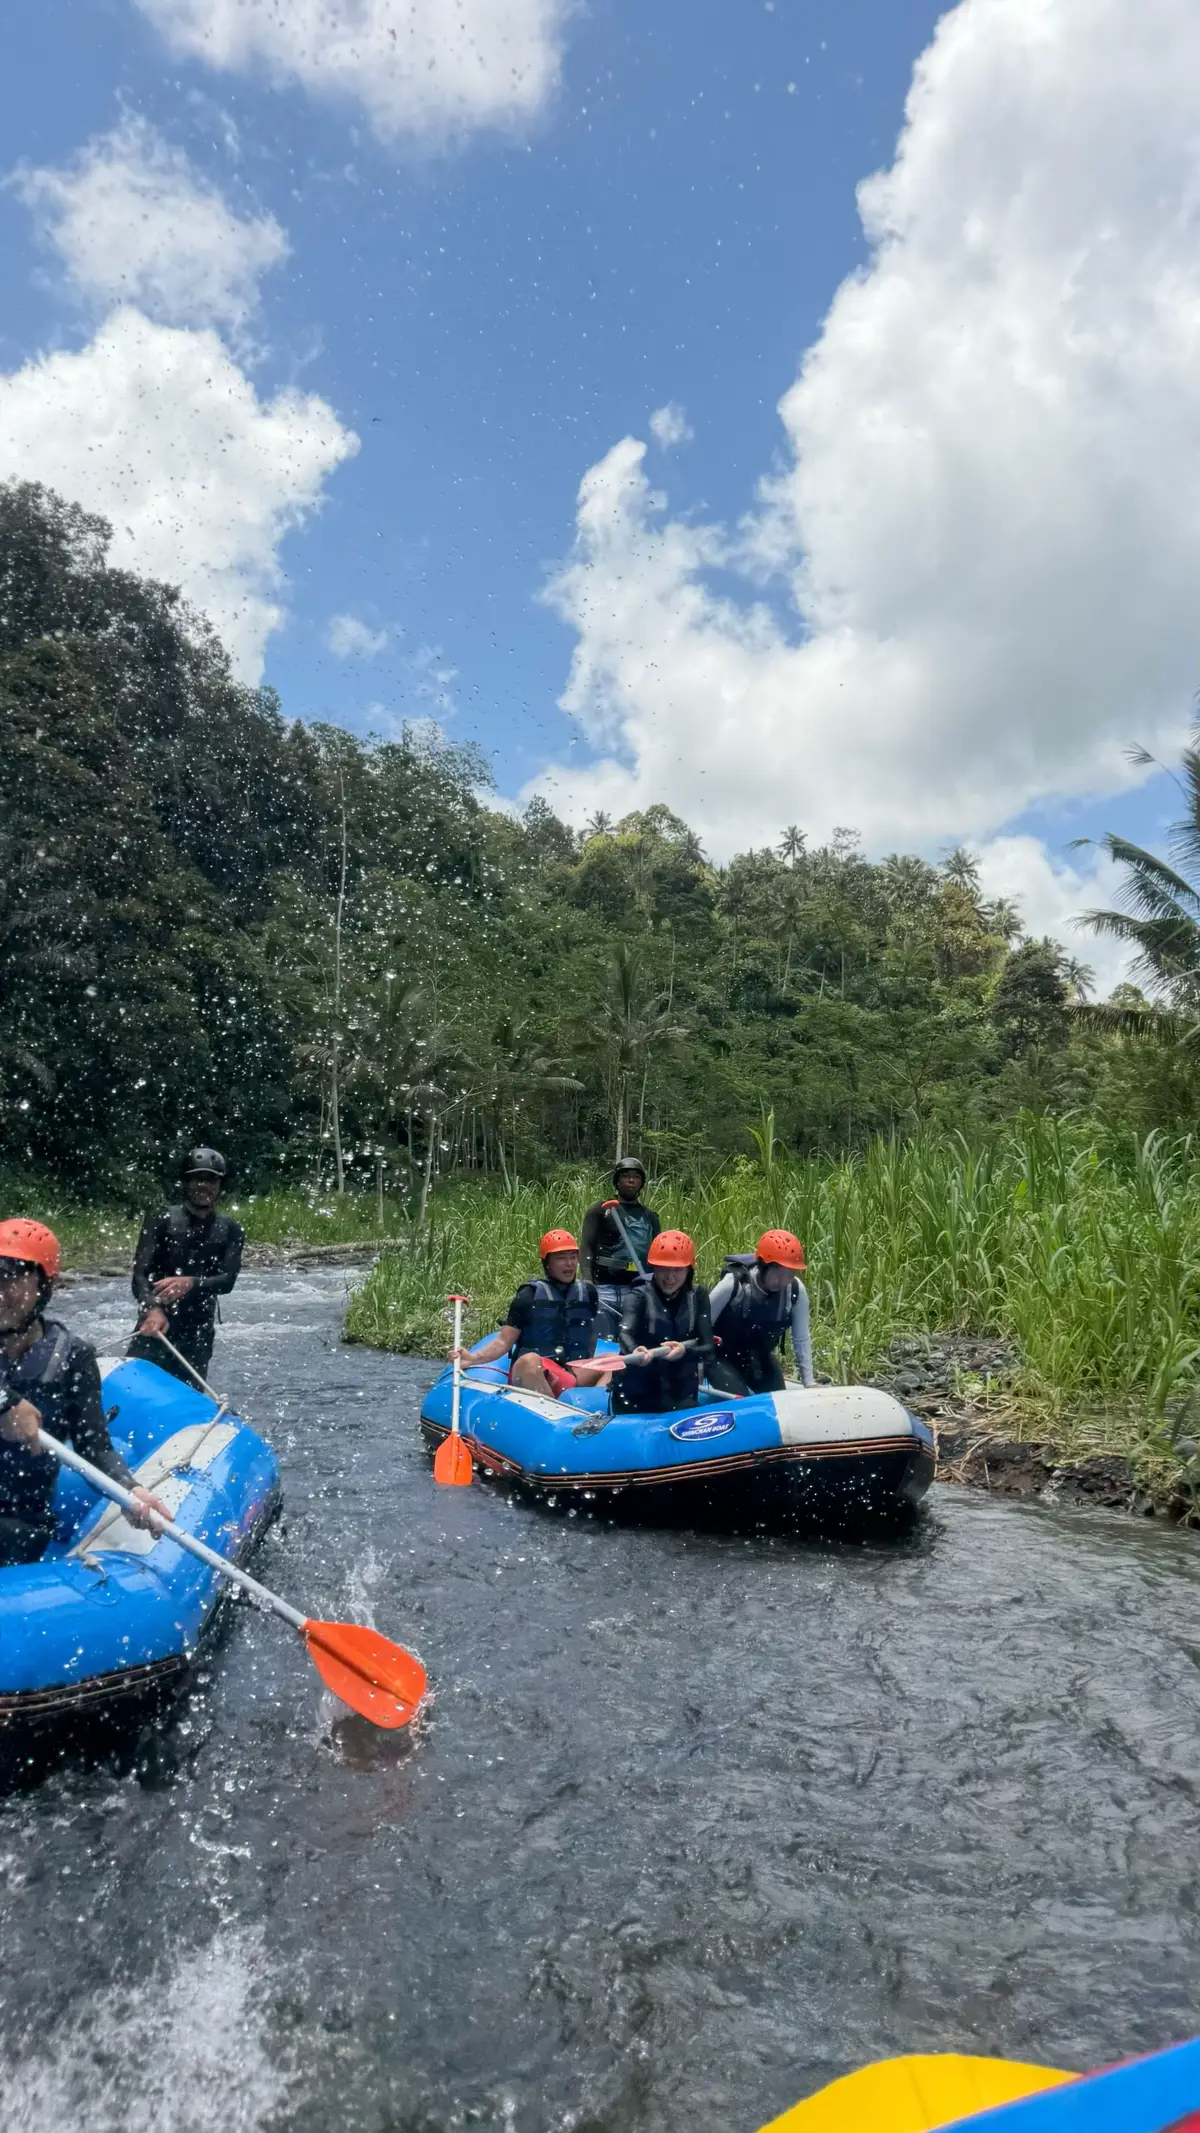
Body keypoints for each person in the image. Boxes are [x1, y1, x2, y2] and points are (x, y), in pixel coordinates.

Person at [0, 1219, 172, 1568]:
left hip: (19, 1522)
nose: (0, 1290)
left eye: (12, 1276)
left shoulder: (73, 1359)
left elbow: (94, 1447)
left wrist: (128, 1490)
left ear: (46, 1286)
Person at [450, 1231, 612, 1401]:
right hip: (533, 1370)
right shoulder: (528, 1295)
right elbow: (503, 1341)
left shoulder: (588, 1293)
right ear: (547, 1262)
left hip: (570, 1372)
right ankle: (555, 1411)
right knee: (530, 1360)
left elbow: (590, 1335)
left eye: (573, 1257)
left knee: (613, 1361)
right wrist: (472, 1358)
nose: (569, 1264)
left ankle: (592, 1408)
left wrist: (584, 1364)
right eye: (561, 1258)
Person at [129, 1147, 244, 1388]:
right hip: (156, 1323)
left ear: (220, 1185)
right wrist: (152, 1308)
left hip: (198, 1331)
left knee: (188, 1392)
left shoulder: (230, 1230)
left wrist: (191, 1283)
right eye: (197, 1179)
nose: (204, 1186)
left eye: (211, 1179)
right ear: (186, 1182)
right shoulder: (160, 1220)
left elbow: (228, 1281)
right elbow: (140, 1274)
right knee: (138, 1387)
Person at [611, 1229, 715, 1415]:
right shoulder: (638, 1296)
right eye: (664, 1269)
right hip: (639, 1389)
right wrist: (635, 1350)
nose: (670, 1277)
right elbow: (625, 1333)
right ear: (653, 1268)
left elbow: (708, 1348)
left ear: (689, 1269)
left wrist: (684, 1351)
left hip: (680, 1390)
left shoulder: (698, 1296)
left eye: (677, 1270)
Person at [707, 1230, 814, 1396]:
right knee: (742, 1400)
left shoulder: (795, 1290)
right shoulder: (733, 1284)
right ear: (763, 1266)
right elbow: (700, 1328)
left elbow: (801, 1338)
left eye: (790, 1274)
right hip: (720, 1358)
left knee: (780, 1398)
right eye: (778, 1271)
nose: (783, 1281)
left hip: (759, 1359)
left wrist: (809, 1382)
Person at [580, 1157, 662, 1337]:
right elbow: (586, 1245)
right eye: (626, 1176)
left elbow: (657, 1256)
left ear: (641, 1183)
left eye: (636, 1177)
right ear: (617, 1180)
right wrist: (587, 1280)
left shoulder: (650, 1217)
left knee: (629, 1341)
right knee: (601, 1340)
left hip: (636, 1289)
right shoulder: (600, 1210)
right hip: (603, 1288)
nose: (631, 1180)